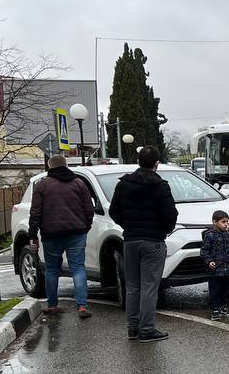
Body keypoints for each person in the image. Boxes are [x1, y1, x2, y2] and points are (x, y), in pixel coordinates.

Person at [108, 145, 177, 342]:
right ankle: (147, 330)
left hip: (130, 240)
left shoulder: (124, 184)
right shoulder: (160, 185)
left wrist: (128, 225)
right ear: (157, 163)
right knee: (149, 287)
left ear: (138, 162)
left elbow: (114, 211)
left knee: (132, 286)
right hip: (153, 241)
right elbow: (170, 215)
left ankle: (133, 328)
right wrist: (163, 230)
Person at [28, 154, 96, 318]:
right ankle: (81, 306)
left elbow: (35, 212)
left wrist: (33, 235)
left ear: (49, 167)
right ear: (66, 165)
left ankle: (52, 305)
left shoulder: (42, 185)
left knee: (52, 269)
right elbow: (89, 208)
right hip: (76, 232)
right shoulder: (79, 183)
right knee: (78, 268)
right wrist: (86, 226)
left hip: (51, 234)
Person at [201, 209, 229, 320]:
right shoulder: (209, 236)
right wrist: (209, 261)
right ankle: (215, 309)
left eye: (227, 222)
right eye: (223, 222)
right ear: (215, 222)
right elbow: (204, 251)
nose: (226, 224)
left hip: (226, 268)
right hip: (215, 270)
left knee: (225, 289)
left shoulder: (227, 235)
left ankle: (223, 307)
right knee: (215, 290)